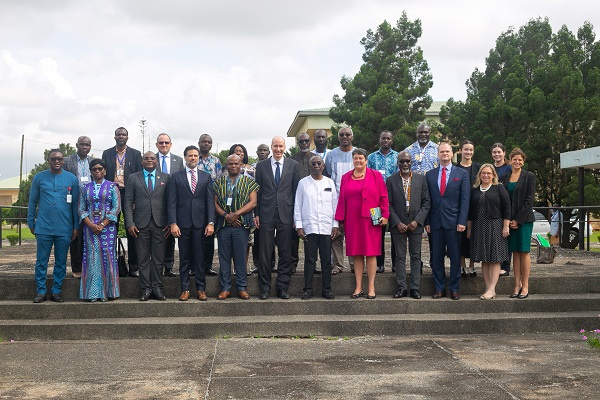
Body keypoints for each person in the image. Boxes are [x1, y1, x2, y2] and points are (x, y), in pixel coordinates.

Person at [335, 148, 389, 299]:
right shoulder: (346, 177)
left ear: (366, 160)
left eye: (361, 158)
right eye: (355, 158)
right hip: (352, 220)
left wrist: (385, 215)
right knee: (356, 253)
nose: (358, 161)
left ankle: (371, 287)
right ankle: (358, 287)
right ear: (352, 160)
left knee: (371, 253)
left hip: (371, 219)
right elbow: (341, 199)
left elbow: (384, 197)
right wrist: (339, 219)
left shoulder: (376, 176)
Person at [28, 149, 80, 303]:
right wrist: (31, 222)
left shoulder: (71, 179)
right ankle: (41, 291)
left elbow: (75, 204)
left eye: (60, 159)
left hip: (64, 228)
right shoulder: (39, 178)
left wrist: (75, 226)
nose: (57, 162)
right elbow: (32, 201)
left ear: (63, 161)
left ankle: (56, 291)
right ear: (48, 160)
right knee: (41, 261)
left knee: (61, 261)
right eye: (53, 159)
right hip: (44, 227)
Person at [254, 136, 301, 300]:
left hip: (286, 214)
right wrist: (257, 214)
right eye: (275, 146)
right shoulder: (261, 166)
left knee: (285, 252)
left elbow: (296, 192)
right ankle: (265, 288)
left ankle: (282, 287)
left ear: (285, 147)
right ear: (271, 147)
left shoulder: (293, 165)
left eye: (281, 146)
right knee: (265, 253)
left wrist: (297, 216)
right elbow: (257, 192)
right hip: (266, 214)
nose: (278, 149)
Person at [167, 145, 216, 301]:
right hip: (183, 224)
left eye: (195, 155)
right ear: (185, 158)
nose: (193, 158)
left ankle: (201, 289)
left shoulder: (206, 177)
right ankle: (185, 289)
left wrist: (211, 222)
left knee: (200, 258)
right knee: (185, 257)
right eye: (190, 156)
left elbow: (209, 202)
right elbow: (172, 202)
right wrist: (173, 223)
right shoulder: (176, 177)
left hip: (201, 224)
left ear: (198, 158)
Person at [425, 143, 470, 300]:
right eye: (441, 151)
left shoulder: (462, 174)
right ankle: (439, 288)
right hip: (435, 223)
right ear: (438, 154)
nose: (444, 154)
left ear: (452, 154)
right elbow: (428, 200)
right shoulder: (429, 175)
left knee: (455, 257)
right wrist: (427, 222)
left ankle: (454, 288)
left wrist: (462, 221)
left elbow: (465, 200)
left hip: (454, 223)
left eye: (447, 151)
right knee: (436, 257)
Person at [124, 152, 170, 301]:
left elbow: (170, 202)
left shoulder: (165, 178)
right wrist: (129, 223)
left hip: (160, 224)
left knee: (158, 258)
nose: (149, 160)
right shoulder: (133, 178)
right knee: (142, 259)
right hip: (140, 225)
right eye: (146, 158)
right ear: (142, 161)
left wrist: (170, 222)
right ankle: (145, 289)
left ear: (156, 161)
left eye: (152, 158)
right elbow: (128, 202)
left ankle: (157, 288)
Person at [213, 154, 259, 300]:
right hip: (224, 225)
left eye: (236, 164)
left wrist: (236, 214)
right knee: (224, 257)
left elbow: (253, 202)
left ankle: (242, 288)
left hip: (242, 224)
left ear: (241, 165)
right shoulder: (218, 183)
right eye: (231, 164)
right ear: (226, 165)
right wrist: (227, 216)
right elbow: (214, 203)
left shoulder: (249, 181)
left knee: (240, 257)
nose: (233, 166)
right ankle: (225, 288)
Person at [387, 151, 430, 299]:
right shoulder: (391, 180)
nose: (405, 164)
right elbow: (388, 204)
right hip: (398, 225)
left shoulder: (421, 179)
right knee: (399, 257)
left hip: (415, 224)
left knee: (416, 256)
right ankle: (401, 288)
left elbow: (426, 202)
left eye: (407, 161)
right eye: (402, 161)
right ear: (397, 163)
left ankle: (415, 288)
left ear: (412, 162)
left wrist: (417, 221)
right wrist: (397, 222)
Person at [294, 155, 338, 300]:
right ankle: (307, 289)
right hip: (309, 227)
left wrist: (335, 225)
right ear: (309, 166)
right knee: (309, 260)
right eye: (314, 164)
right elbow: (298, 206)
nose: (317, 166)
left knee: (326, 260)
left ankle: (327, 289)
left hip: (326, 228)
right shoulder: (303, 183)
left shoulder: (329, 182)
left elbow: (334, 205)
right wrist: (299, 226)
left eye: (319, 163)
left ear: (323, 166)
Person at [101, 127, 143, 277]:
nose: (121, 136)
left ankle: (134, 267)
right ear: (114, 137)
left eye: (123, 134)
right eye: (118, 134)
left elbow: (139, 176)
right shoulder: (107, 153)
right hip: (112, 193)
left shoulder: (136, 154)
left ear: (127, 137)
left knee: (132, 228)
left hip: (129, 194)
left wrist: (137, 198)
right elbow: (103, 174)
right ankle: (111, 265)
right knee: (110, 227)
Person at [78, 159, 121, 302]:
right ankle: (92, 293)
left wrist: (102, 224)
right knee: (92, 257)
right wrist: (90, 224)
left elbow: (116, 208)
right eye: (94, 169)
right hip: (90, 229)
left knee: (107, 257)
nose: (97, 171)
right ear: (90, 171)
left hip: (107, 229)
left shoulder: (112, 186)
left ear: (105, 170)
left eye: (100, 168)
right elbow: (81, 208)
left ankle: (108, 292)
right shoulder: (86, 188)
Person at [467, 164, 511, 300]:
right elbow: (470, 211)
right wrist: (469, 229)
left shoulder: (499, 188)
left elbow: (507, 207)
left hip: (495, 226)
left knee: (495, 258)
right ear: (479, 175)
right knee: (484, 260)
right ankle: (488, 288)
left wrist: (506, 226)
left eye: (488, 173)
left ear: (493, 175)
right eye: (483, 173)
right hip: (479, 227)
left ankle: (492, 289)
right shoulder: (474, 190)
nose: (486, 175)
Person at [503, 148, 536, 299]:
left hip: (524, 220)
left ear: (523, 162)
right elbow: (504, 200)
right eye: (514, 159)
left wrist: (518, 220)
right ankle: (516, 285)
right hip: (509, 220)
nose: (517, 162)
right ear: (510, 161)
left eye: (520, 160)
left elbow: (529, 200)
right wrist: (508, 220)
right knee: (515, 252)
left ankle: (525, 285)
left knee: (524, 252)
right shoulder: (504, 177)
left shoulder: (529, 177)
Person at [324, 127, 356, 275]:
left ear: (352, 137)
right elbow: (329, 176)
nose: (345, 137)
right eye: (342, 135)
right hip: (336, 201)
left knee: (353, 234)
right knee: (336, 234)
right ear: (338, 137)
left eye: (347, 134)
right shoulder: (331, 155)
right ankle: (338, 264)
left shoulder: (357, 153)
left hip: (354, 201)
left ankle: (355, 264)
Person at [367, 131, 398, 273]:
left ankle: (396, 263)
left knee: (395, 232)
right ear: (379, 140)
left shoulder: (398, 156)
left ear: (392, 141)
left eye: (388, 138)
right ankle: (379, 264)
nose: (385, 140)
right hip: (376, 201)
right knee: (377, 233)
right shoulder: (371, 157)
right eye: (383, 138)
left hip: (394, 200)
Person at [63, 136, 93, 278]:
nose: (85, 147)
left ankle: (90, 267)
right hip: (73, 203)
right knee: (75, 236)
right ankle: (76, 268)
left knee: (90, 236)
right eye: (82, 144)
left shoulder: (93, 162)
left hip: (91, 205)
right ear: (77, 145)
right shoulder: (67, 160)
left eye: (87, 145)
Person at [156, 133, 184, 277]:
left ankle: (169, 266)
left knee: (170, 235)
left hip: (174, 203)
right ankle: (157, 266)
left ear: (171, 144)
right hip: (155, 203)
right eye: (161, 143)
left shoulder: (178, 161)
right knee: (158, 235)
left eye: (166, 142)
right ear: (157, 145)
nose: (164, 145)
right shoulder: (150, 159)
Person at [456, 140, 481, 278]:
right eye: (466, 149)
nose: (468, 152)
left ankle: (472, 265)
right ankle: (462, 265)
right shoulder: (455, 168)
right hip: (460, 209)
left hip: (476, 208)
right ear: (460, 151)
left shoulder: (478, 167)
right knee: (461, 238)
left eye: (471, 150)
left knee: (473, 238)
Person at [198, 134, 222, 277]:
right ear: (199, 143)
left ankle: (208, 265)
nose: (207, 144)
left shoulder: (216, 161)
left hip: (211, 201)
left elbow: (219, 181)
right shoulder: (194, 158)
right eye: (204, 142)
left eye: (209, 142)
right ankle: (194, 266)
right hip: (195, 202)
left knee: (209, 236)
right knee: (196, 234)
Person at [290, 132, 313, 273]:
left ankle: (312, 264)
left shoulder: (316, 159)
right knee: (293, 236)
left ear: (310, 142)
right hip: (295, 202)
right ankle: (293, 264)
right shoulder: (291, 161)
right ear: (297, 143)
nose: (304, 144)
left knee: (312, 235)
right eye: (301, 141)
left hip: (313, 203)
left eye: (306, 141)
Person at [250, 143, 273, 275]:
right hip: (255, 206)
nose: (263, 152)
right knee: (257, 238)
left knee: (271, 239)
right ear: (257, 152)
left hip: (270, 206)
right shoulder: (252, 168)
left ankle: (272, 263)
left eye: (265, 150)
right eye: (260, 150)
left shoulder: (272, 165)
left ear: (269, 152)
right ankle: (258, 263)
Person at [491, 142, 512, 277]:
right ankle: (495, 264)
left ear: (504, 153)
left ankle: (506, 265)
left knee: (505, 237)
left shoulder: (509, 168)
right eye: (494, 152)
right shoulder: (490, 168)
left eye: (499, 152)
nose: (497, 154)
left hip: (506, 205)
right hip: (493, 207)